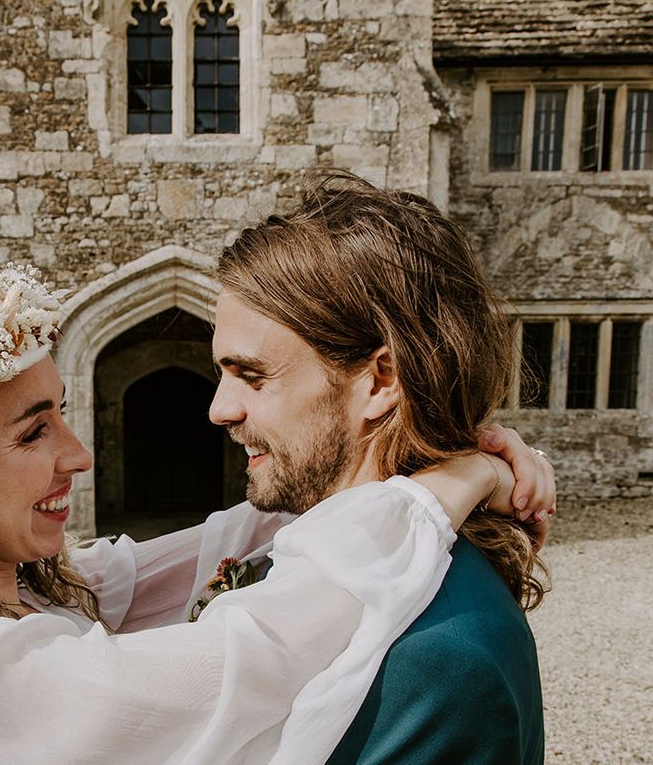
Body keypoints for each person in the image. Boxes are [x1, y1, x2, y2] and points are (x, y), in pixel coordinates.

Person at [0, 264, 552, 764]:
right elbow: (243, 662)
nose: (80, 455)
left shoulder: (29, 588)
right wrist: (444, 488)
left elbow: (237, 538)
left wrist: (425, 456)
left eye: (62, 415)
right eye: (34, 431)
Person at [210, 172, 550, 764]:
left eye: (253, 375)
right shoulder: (302, 544)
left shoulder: (436, 659)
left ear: (379, 380)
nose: (218, 409)